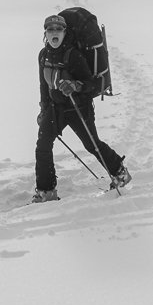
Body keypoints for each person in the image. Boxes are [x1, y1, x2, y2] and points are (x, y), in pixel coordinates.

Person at [33, 13, 130, 202]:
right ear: (45, 33)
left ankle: (120, 173)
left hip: (78, 108)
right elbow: (44, 86)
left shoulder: (73, 55)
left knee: (92, 144)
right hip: (55, 109)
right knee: (42, 146)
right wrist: (43, 109)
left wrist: (75, 86)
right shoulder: (43, 55)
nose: (55, 33)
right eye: (50, 29)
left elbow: (91, 84)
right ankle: (46, 191)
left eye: (58, 29)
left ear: (64, 32)